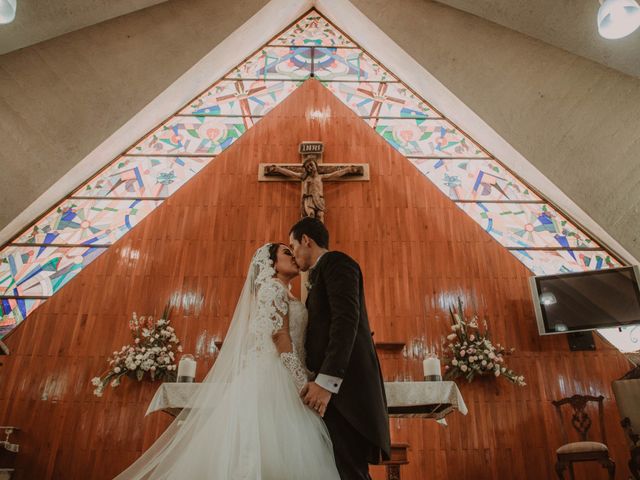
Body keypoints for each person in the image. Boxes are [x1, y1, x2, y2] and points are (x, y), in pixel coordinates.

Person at [114, 243, 340, 479]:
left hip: (280, 372)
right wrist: (300, 381)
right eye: (286, 253)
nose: (293, 256)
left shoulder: (286, 292)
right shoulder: (273, 289)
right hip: (275, 378)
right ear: (271, 264)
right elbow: (279, 336)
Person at [283, 216, 391, 480]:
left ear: (306, 240)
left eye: (293, 246)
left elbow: (346, 321)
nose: (294, 255)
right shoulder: (319, 275)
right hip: (330, 393)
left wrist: (326, 382)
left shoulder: (338, 263)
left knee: (350, 471)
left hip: (344, 392)